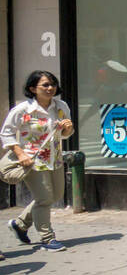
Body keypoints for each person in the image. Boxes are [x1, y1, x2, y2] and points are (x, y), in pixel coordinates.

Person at [4, 71, 75, 251]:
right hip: (32, 160)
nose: (50, 88)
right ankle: (47, 238)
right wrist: (20, 154)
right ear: (32, 88)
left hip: (55, 158)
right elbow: (6, 133)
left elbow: (65, 134)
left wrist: (68, 129)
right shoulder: (23, 110)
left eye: (52, 84)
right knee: (44, 198)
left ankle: (20, 224)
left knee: (56, 196)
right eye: (45, 85)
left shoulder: (61, 106)